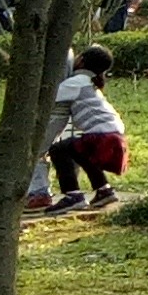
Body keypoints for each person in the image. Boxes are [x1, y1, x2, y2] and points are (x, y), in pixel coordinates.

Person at [41, 44, 131, 211]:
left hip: (102, 135)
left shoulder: (76, 83)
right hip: (113, 133)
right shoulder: (89, 82)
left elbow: (48, 98)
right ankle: (104, 190)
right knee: (80, 154)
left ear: (81, 61)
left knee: (58, 150)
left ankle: (72, 195)